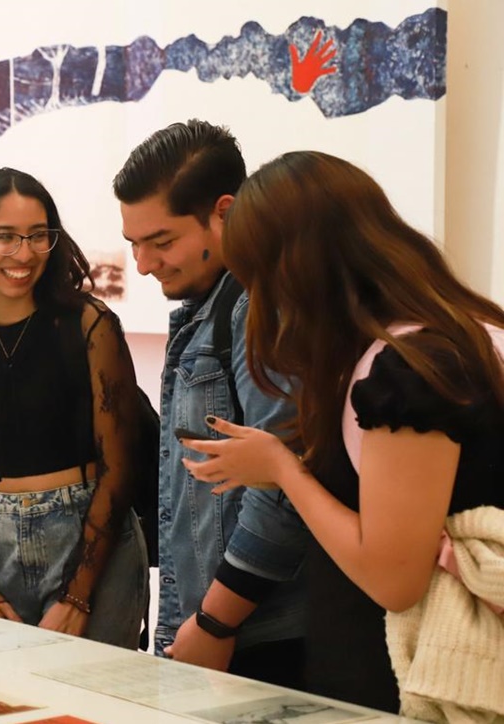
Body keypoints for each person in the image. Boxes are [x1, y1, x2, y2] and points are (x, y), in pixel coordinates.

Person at [180, 150, 504, 711]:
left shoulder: (412, 369)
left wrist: (282, 468)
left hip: (410, 679)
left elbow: (393, 577)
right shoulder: (458, 332)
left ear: (297, 268)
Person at [113, 120, 310, 685]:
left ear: (224, 212)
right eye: (135, 245)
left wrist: (215, 622)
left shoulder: (258, 309)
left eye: (162, 241)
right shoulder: (216, 306)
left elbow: (282, 494)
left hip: (255, 636)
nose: (146, 263)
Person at [0, 167, 148, 645]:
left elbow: (119, 465)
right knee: (12, 706)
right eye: (4, 237)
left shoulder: (89, 323)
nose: (24, 254)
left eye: (38, 236)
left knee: (101, 705)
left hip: (93, 533)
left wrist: (79, 595)